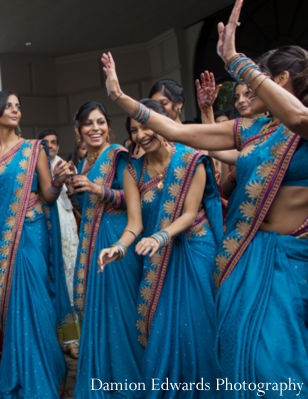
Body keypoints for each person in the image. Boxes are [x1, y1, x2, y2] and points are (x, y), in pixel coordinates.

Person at [101, 0, 308, 391]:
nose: (248, 88)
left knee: (276, 363)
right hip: (247, 256)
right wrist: (122, 99)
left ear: (279, 82)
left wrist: (235, 60)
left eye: (258, 79)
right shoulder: (255, 131)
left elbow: (297, 118)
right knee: (239, 357)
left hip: (290, 264)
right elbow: (179, 133)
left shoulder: (301, 125)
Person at [99, 99, 223, 397]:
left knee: (196, 328)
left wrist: (160, 238)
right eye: (134, 130)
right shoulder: (133, 171)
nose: (142, 134)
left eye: (146, 125)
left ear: (162, 122)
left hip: (195, 250)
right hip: (158, 257)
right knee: (164, 330)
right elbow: (134, 225)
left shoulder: (191, 160)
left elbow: (190, 213)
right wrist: (118, 248)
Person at [0, 90, 76, 398]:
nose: (15, 110)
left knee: (36, 304)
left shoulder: (33, 149)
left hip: (32, 233)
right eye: (7, 106)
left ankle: (46, 373)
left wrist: (59, 181)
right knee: (10, 309)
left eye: (17, 106)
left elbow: (47, 194)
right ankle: (21, 374)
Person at [68, 102, 144, 398]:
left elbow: (135, 197)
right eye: (88, 123)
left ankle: (129, 387)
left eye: (100, 122)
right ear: (79, 130)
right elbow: (84, 209)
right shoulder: (84, 164)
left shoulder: (117, 156)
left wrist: (100, 191)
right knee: (99, 318)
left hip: (117, 244)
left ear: (108, 126)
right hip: (91, 242)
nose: (95, 128)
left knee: (122, 315)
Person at [36, 129, 80, 355]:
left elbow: (74, 197)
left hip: (66, 223)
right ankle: (53, 339)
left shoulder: (65, 165)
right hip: (44, 225)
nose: (50, 146)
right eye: (46, 143)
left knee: (70, 277)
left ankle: (72, 340)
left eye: (54, 142)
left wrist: (70, 181)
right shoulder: (35, 166)